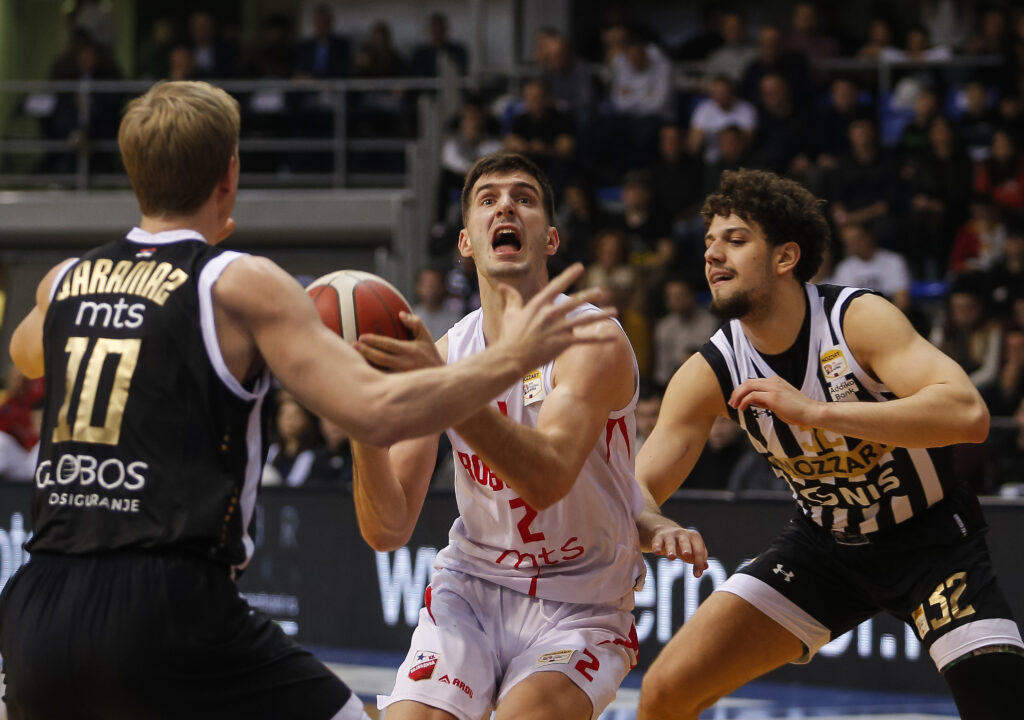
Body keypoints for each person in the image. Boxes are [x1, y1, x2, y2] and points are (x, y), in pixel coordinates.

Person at [0, 81, 609, 720]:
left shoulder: (63, 281)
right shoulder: (239, 284)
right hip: (168, 601)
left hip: (37, 601)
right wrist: (510, 360)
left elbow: (26, 356)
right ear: (228, 175)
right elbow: (374, 412)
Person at [634, 168, 1024, 720]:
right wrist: (656, 524)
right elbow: (637, 489)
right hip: (824, 550)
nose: (713, 255)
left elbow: (968, 413)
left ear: (785, 257)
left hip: (934, 544)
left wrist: (816, 411)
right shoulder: (711, 369)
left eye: (736, 241)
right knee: (665, 691)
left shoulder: (857, 318)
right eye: (709, 243)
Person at [349, 152, 663, 720]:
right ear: (466, 241)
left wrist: (446, 389)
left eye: (524, 197)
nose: (505, 207)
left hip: (583, 601)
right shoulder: (448, 351)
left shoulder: (590, 339)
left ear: (550, 239)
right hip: (470, 587)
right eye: (487, 199)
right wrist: (362, 423)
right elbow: (388, 528)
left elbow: (547, 478)